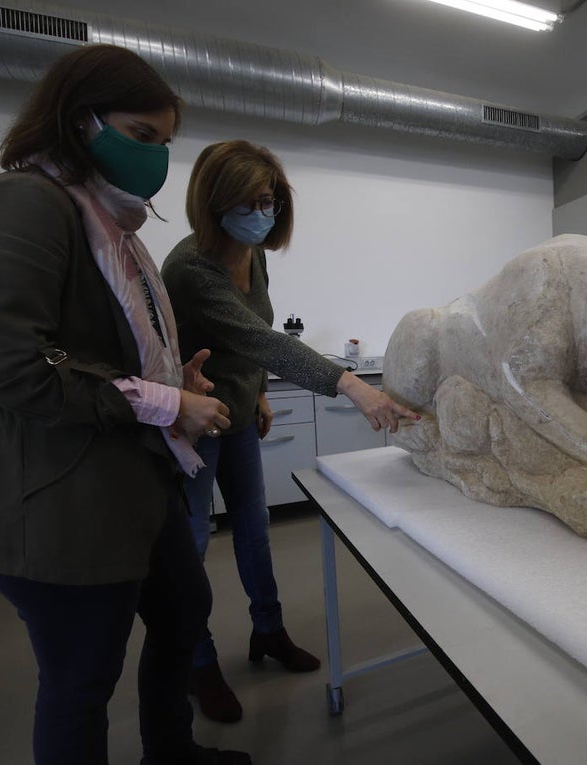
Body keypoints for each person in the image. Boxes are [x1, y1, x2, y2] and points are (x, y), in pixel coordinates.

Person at [0, 44, 250, 765]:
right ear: (77, 120)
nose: (154, 158)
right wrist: (162, 402)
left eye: (164, 142)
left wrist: (174, 381)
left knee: (183, 616)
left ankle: (170, 750)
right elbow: (20, 363)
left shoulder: (113, 226)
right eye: (140, 135)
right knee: (80, 680)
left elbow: (96, 348)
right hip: (63, 506)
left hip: (134, 488)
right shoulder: (23, 202)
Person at [161, 140, 418, 723]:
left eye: (269, 201)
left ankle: (269, 631)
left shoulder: (254, 256)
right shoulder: (190, 268)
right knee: (192, 544)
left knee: (255, 531)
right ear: (214, 202)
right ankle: (197, 661)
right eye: (250, 202)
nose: (262, 213)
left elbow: (254, 332)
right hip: (194, 421)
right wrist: (351, 385)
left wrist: (259, 393)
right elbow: (262, 339)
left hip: (238, 414)